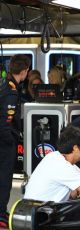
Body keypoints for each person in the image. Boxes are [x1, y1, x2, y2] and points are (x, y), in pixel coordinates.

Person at [24, 125, 80, 202]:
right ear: (75, 148)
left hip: (36, 209)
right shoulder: (62, 166)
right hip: (40, 214)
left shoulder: (56, 157)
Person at [0, 54, 31, 228]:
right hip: (4, 144)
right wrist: (12, 140)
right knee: (4, 179)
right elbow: (5, 123)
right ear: (25, 71)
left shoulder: (4, 84)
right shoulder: (11, 91)